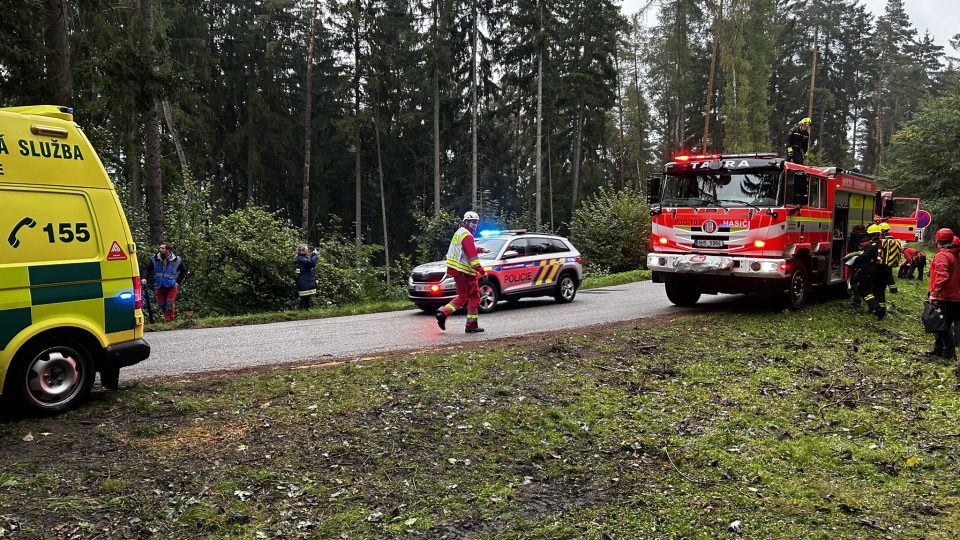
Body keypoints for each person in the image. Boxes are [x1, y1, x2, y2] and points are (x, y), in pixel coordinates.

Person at [436, 211, 487, 333]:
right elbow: (473, 259)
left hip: (457, 271)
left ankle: (443, 312)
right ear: (466, 222)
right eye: (472, 222)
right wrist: (483, 272)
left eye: (476, 222)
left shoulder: (460, 233)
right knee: (474, 297)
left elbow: (465, 248)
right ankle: (471, 325)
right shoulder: (467, 236)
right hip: (466, 272)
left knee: (463, 297)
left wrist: (480, 249)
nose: (475, 225)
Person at [927, 228, 960, 365]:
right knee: (944, 324)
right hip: (952, 296)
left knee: (941, 325)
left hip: (945, 296)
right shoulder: (953, 254)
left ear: (937, 240)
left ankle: (949, 353)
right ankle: (939, 349)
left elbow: (942, 276)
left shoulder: (943, 255)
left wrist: (935, 293)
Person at [147, 241, 187, 322]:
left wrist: (177, 282)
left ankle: (169, 321)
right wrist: (144, 278)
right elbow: (148, 269)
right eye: (160, 248)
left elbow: (183, 271)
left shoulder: (177, 260)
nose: (160, 249)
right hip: (159, 284)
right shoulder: (155, 258)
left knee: (169, 304)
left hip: (172, 285)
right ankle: (168, 318)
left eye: (162, 248)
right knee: (161, 304)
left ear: (168, 250)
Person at [857, 224, 887, 319]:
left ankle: (875, 306)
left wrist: (856, 259)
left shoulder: (873, 245)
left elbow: (864, 256)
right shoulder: (883, 243)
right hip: (883, 270)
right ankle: (881, 312)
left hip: (872, 270)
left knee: (863, 289)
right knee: (879, 291)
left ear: (870, 234)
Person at [878, 222, 902, 294]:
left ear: (882, 230)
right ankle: (893, 289)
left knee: (885, 276)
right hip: (890, 261)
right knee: (889, 275)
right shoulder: (893, 240)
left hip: (884, 261)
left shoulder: (883, 240)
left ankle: (891, 290)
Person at [294, 244, 319, 309]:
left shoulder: (303, 257)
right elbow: (312, 263)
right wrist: (314, 255)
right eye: (307, 249)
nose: (308, 250)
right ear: (302, 250)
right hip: (304, 281)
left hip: (306, 280)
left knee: (306, 298)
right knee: (305, 298)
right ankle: (303, 310)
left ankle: (303, 310)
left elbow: (309, 262)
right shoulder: (300, 259)